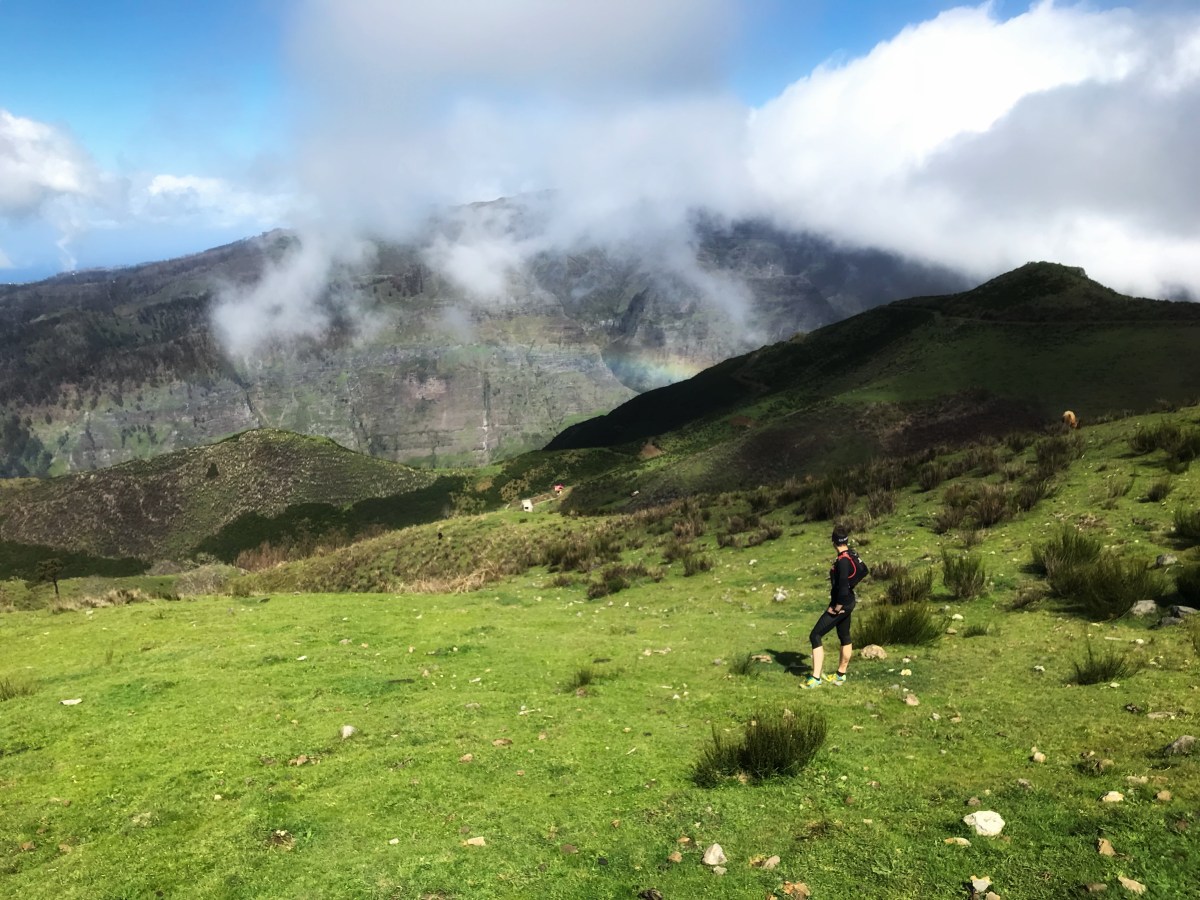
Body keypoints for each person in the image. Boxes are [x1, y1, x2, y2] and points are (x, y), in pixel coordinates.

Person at [803, 526, 867, 688]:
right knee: (844, 635)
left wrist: (837, 606)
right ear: (846, 540)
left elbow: (844, 586)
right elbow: (864, 570)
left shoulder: (842, 561)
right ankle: (840, 675)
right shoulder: (852, 554)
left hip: (842, 603)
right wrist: (852, 587)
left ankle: (816, 678)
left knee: (815, 635)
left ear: (833, 542)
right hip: (850, 601)